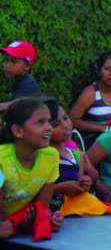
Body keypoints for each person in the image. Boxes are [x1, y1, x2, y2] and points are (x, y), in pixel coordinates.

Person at [0, 98, 64, 236]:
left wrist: (48, 218)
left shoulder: (51, 156)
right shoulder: (2, 160)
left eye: (49, 121)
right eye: (40, 122)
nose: (49, 127)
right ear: (18, 130)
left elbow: (41, 207)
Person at [70, 52, 111, 146]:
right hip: (97, 142)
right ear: (99, 71)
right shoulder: (91, 93)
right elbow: (72, 120)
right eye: (107, 69)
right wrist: (102, 128)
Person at [0, 40, 40, 113]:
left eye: (14, 61)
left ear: (27, 66)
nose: (7, 65)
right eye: (6, 60)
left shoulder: (28, 84)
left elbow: (19, 104)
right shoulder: (18, 80)